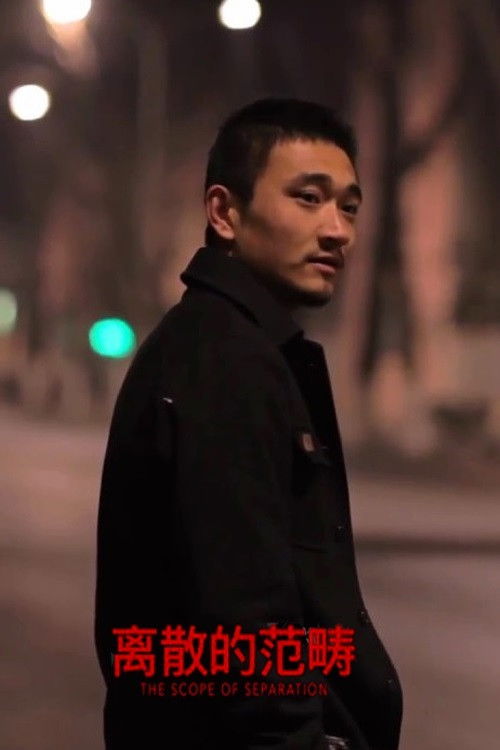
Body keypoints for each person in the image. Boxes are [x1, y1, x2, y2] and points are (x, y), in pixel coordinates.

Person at [94, 98, 403, 750]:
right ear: (224, 212)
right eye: (308, 198)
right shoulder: (224, 362)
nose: (337, 230)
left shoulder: (235, 346)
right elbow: (245, 624)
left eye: (349, 206)